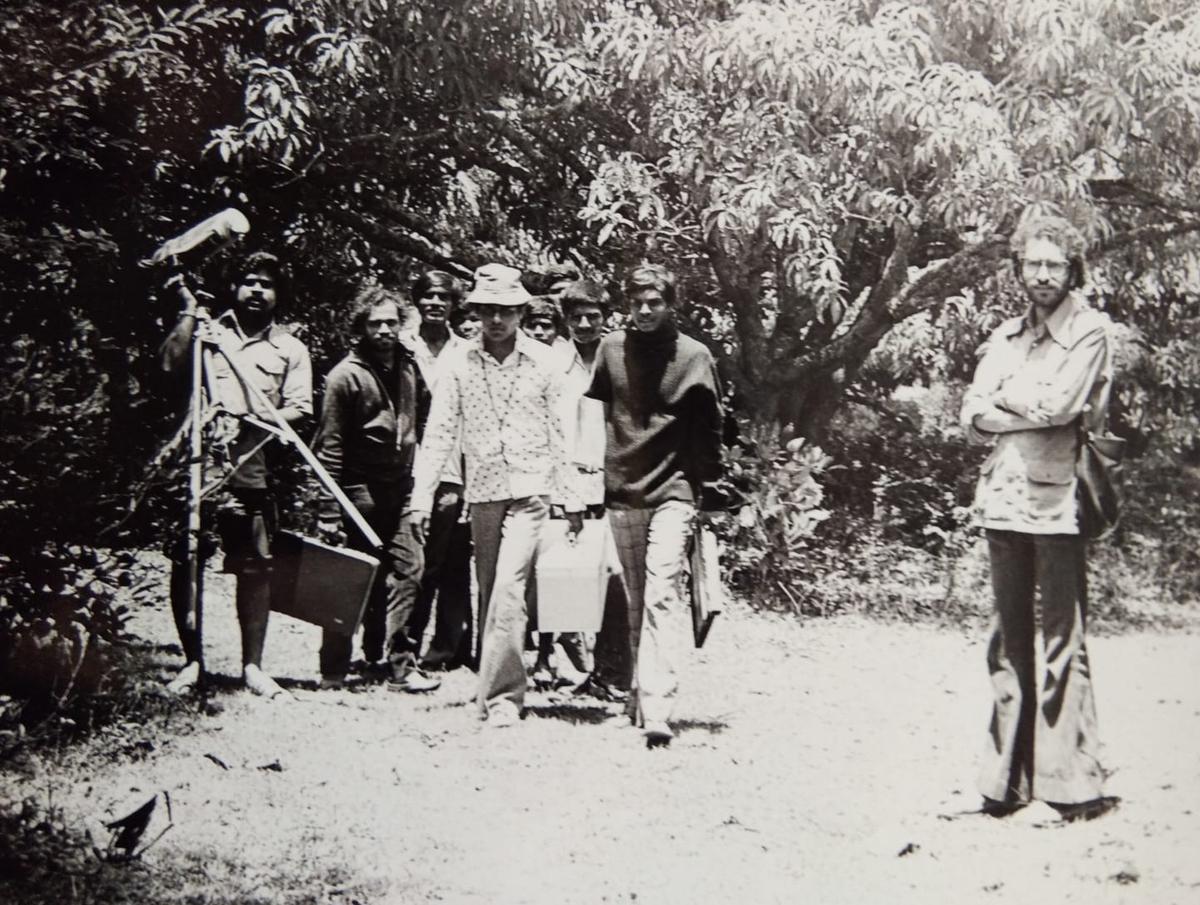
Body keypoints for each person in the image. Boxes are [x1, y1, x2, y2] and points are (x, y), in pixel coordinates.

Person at [960, 213, 1116, 820]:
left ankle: (1069, 789)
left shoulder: (1091, 331)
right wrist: (1014, 405)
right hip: (1003, 496)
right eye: (1033, 264)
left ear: (1071, 269)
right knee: (1006, 643)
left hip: (1058, 504)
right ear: (1019, 269)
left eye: (1054, 264)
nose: (1043, 274)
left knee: (1060, 641)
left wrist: (1008, 400)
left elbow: (1061, 406)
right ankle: (1003, 786)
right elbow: (971, 414)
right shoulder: (1004, 336)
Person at [409, 263, 583, 727]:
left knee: (509, 585)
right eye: (487, 311)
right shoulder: (458, 362)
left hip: (532, 489)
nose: (496, 321)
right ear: (476, 312)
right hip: (483, 489)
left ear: (520, 311)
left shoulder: (545, 362)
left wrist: (572, 499)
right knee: (490, 591)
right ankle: (490, 686)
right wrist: (421, 498)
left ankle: (506, 697)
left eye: (505, 311)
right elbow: (440, 431)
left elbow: (563, 432)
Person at [160, 251, 312, 698]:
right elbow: (169, 365)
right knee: (188, 560)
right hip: (197, 469)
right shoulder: (207, 333)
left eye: (266, 284)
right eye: (249, 281)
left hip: (251, 470)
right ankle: (192, 663)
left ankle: (253, 667)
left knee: (256, 568)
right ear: (235, 288)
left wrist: (248, 420)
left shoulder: (289, 348)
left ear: (278, 295)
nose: (256, 290)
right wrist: (188, 313)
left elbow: (300, 407)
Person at [586, 264, 723, 747]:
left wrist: (707, 492)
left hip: (675, 490)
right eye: (638, 303)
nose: (645, 312)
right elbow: (602, 415)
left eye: (655, 303)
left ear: (671, 305)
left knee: (662, 592)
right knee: (636, 598)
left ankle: (658, 708)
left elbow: (709, 431)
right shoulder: (609, 350)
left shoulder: (694, 357)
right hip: (624, 488)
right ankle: (638, 696)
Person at [310, 285, 440, 693]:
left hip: (401, 487)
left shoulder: (409, 365)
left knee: (410, 570)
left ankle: (402, 665)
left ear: (402, 324)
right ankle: (333, 668)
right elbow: (328, 446)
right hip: (357, 489)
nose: (384, 330)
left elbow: (427, 421)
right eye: (375, 323)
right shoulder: (344, 376)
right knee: (351, 577)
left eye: (391, 322)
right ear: (362, 327)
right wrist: (330, 511)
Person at [402, 271, 474, 672]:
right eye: (427, 296)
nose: (434, 303)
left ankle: (450, 648)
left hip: (454, 469)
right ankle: (404, 645)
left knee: (454, 565)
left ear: (452, 304)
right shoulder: (400, 345)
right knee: (416, 565)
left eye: (442, 297)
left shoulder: (466, 351)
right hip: (406, 467)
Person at [521, 293, 590, 688]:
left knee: (558, 568)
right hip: (527, 476)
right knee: (525, 573)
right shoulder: (516, 362)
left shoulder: (571, 365)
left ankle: (551, 652)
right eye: (534, 324)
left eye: (548, 324)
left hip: (565, 477)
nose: (541, 331)